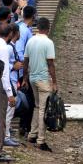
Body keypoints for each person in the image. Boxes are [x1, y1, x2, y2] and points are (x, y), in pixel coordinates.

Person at [23, 17, 56, 152]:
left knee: (37, 106)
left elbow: (25, 61)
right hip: (43, 79)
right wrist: (54, 82)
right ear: (47, 28)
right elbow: (51, 64)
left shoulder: (31, 41)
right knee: (43, 109)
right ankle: (41, 140)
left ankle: (32, 133)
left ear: (38, 28)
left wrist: (25, 77)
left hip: (32, 78)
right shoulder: (48, 43)